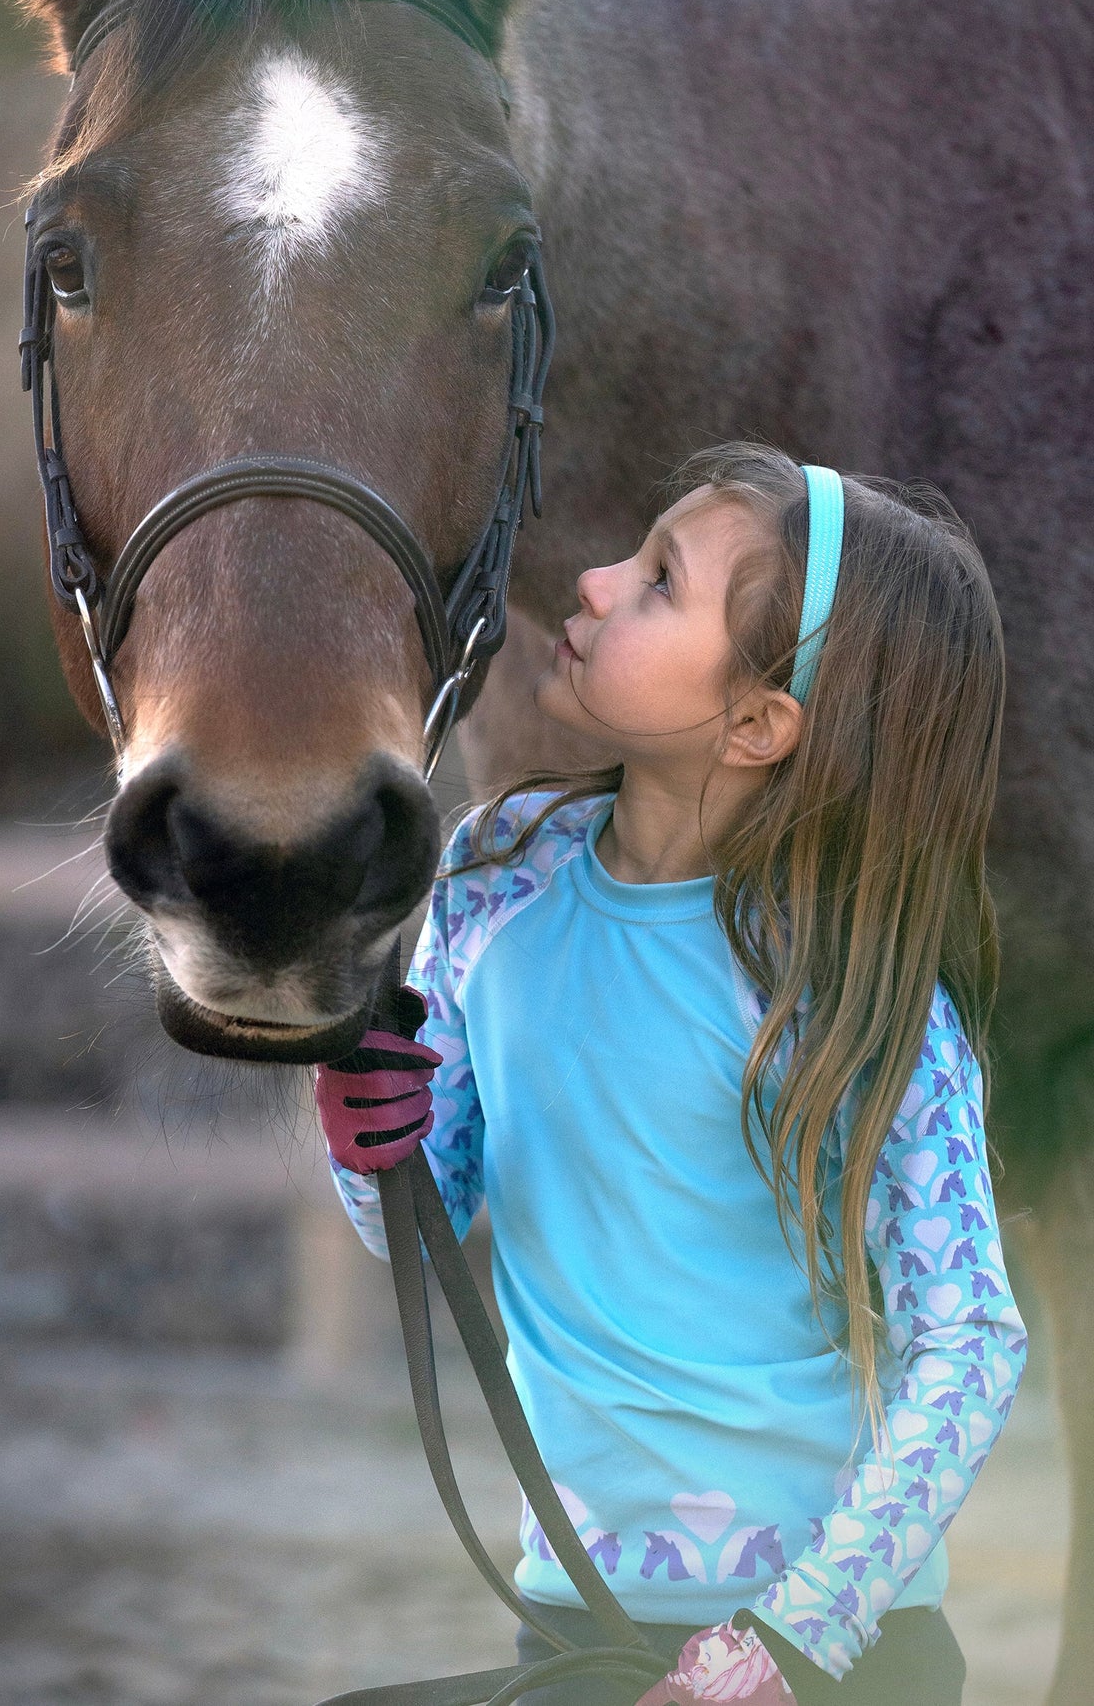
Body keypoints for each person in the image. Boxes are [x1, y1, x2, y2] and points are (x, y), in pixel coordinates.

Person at [316, 444, 1026, 1703]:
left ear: (756, 723)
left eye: (655, 583)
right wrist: (365, 1136)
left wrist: (781, 1650)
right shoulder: (495, 877)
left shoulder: (849, 993)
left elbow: (968, 1344)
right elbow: (415, 1223)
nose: (588, 583)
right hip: (578, 1623)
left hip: (830, 1658)